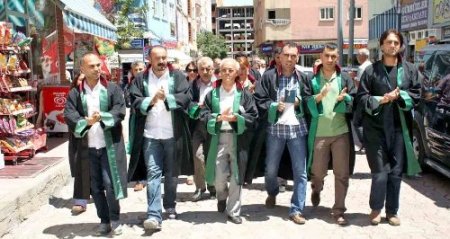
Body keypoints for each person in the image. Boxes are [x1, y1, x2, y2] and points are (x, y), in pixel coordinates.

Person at [355, 29, 422, 226]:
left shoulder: (409, 70)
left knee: (396, 172)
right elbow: (362, 98)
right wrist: (382, 99)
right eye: (388, 42)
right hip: (375, 130)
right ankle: (376, 208)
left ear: (400, 45)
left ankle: (392, 211)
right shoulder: (371, 71)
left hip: (400, 130)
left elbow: (417, 95)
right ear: (382, 45)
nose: (392, 46)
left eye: (396, 42)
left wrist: (400, 96)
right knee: (380, 172)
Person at [128, 46, 192, 232]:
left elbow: (186, 97)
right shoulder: (141, 79)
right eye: (158, 58)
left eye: (164, 57)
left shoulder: (177, 77)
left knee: (172, 173)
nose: (162, 61)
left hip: (172, 134)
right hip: (150, 135)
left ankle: (170, 204)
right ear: (150, 59)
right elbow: (134, 100)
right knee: (153, 174)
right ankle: (154, 215)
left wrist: (168, 98)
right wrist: (152, 100)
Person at [64, 53, 128, 236]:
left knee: (111, 184)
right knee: (96, 187)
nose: (97, 69)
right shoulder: (75, 93)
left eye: (98, 65)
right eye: (91, 66)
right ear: (82, 69)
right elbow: (69, 115)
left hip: (109, 146)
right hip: (87, 148)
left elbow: (119, 109)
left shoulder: (112, 89)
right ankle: (104, 220)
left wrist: (104, 117)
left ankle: (115, 217)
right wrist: (87, 122)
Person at [253, 42, 309, 225]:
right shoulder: (269, 76)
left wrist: (301, 101)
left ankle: (296, 209)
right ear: (280, 56)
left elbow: (310, 98)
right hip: (275, 131)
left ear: (297, 57)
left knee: (301, 172)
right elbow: (259, 99)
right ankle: (272, 192)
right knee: (270, 170)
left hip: (297, 131)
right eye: (287, 55)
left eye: (293, 56)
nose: (290, 59)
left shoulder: (303, 77)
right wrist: (275, 106)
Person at [302, 43, 356, 225]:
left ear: (337, 58)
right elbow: (304, 101)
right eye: (327, 56)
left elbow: (354, 100)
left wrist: (345, 99)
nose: (330, 59)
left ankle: (339, 210)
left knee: (342, 173)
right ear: (321, 56)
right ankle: (317, 188)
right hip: (319, 133)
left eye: (333, 56)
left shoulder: (345, 78)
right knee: (317, 172)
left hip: (341, 132)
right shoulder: (312, 79)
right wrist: (319, 96)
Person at [201, 58, 258, 224]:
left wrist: (236, 118)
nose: (227, 73)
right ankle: (221, 196)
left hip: (238, 138)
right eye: (224, 70)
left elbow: (253, 116)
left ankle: (233, 211)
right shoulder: (212, 94)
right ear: (219, 72)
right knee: (219, 176)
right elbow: (203, 114)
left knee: (236, 176)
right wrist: (217, 118)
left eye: (230, 70)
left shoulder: (244, 94)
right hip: (217, 138)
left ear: (237, 73)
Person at [187, 57, 217, 201]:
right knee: (197, 156)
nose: (205, 72)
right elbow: (187, 102)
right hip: (197, 125)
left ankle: (212, 186)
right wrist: (195, 107)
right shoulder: (192, 85)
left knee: (212, 156)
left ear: (213, 69)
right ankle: (200, 187)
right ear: (198, 70)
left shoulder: (219, 83)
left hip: (214, 125)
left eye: (208, 69)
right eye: (202, 69)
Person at [125, 61, 147, 192]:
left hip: (150, 119)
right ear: (132, 71)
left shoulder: (149, 82)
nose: (139, 71)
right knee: (137, 147)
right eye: (136, 69)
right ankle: (140, 178)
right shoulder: (130, 85)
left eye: (141, 69)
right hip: (136, 119)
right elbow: (128, 102)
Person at [68, 73, 88, 215]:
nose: (82, 82)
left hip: (99, 135)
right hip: (79, 135)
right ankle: (81, 200)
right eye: (80, 79)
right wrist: (82, 123)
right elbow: (69, 113)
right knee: (81, 165)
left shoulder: (102, 92)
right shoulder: (73, 95)